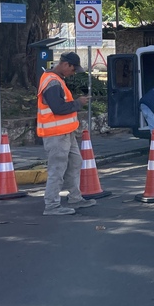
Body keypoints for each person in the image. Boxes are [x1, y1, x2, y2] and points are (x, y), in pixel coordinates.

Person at [37, 51, 93, 216]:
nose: (73, 73)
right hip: (56, 134)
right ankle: (52, 205)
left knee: (75, 162)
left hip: (66, 132)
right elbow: (58, 108)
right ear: (66, 64)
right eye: (73, 70)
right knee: (57, 169)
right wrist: (78, 103)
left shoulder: (56, 80)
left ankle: (75, 197)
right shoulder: (52, 82)